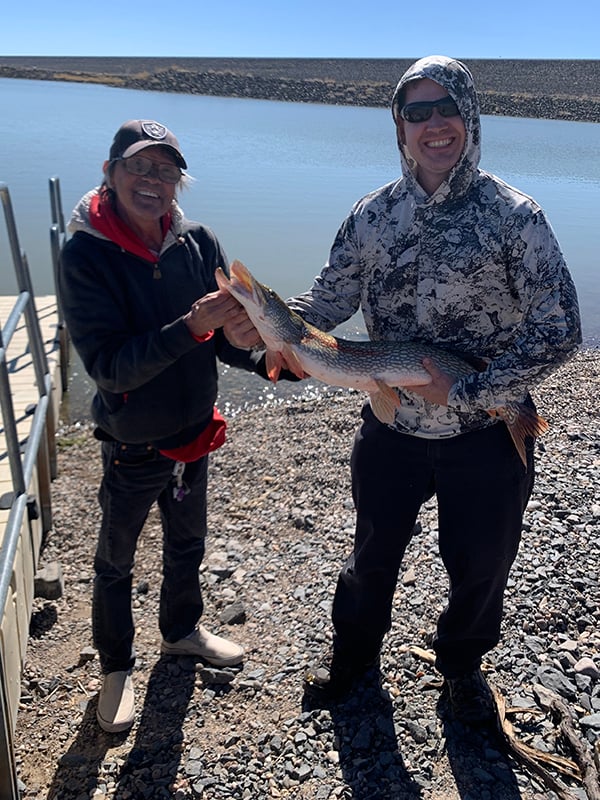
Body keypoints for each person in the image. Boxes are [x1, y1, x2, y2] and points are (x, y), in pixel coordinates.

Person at [286, 56, 581, 723]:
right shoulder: (370, 216)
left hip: (485, 436)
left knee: (482, 567)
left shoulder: (514, 216)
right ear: (399, 127)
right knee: (370, 556)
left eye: (445, 108)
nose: (433, 125)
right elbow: (327, 302)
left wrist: (474, 390)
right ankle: (354, 663)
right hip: (391, 433)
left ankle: (461, 669)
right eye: (416, 113)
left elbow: (560, 328)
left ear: (470, 117)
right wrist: (262, 322)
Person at [58, 119, 270, 733]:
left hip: (194, 434)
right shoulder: (86, 255)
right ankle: (116, 669)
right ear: (110, 172)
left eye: (166, 170)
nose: (153, 181)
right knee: (115, 561)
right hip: (132, 442)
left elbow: (223, 343)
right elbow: (110, 369)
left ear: (180, 181)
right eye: (139, 167)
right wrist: (191, 327)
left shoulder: (198, 242)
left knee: (187, 544)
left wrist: (271, 361)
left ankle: (180, 631)